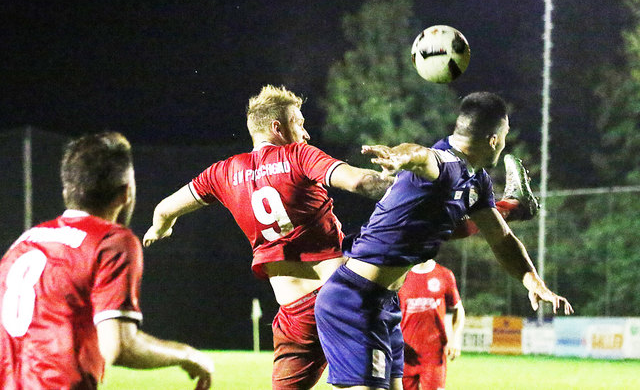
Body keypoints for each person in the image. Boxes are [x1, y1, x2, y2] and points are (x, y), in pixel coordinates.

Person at [314, 91, 573, 390]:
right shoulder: (446, 164)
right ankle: (515, 204)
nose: (503, 144)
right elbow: (423, 156)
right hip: (353, 301)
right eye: (504, 136)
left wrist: (533, 280)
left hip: (385, 305)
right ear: (493, 139)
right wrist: (403, 155)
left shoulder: (477, 180)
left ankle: (514, 205)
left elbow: (501, 238)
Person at [142, 85, 394, 389]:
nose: (306, 133)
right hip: (340, 297)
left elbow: (164, 209)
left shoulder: (222, 173)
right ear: (278, 127)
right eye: (299, 124)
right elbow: (360, 182)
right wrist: (413, 184)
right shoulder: (298, 155)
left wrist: (160, 228)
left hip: (295, 315)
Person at [0, 132, 214, 390]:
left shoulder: (24, 243)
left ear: (68, 189)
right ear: (126, 193)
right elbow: (119, 346)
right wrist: (188, 355)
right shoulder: (111, 241)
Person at [398, 260, 464, 390]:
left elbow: (458, 309)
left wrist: (455, 339)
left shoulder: (444, 275)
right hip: (405, 353)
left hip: (434, 355)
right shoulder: (400, 275)